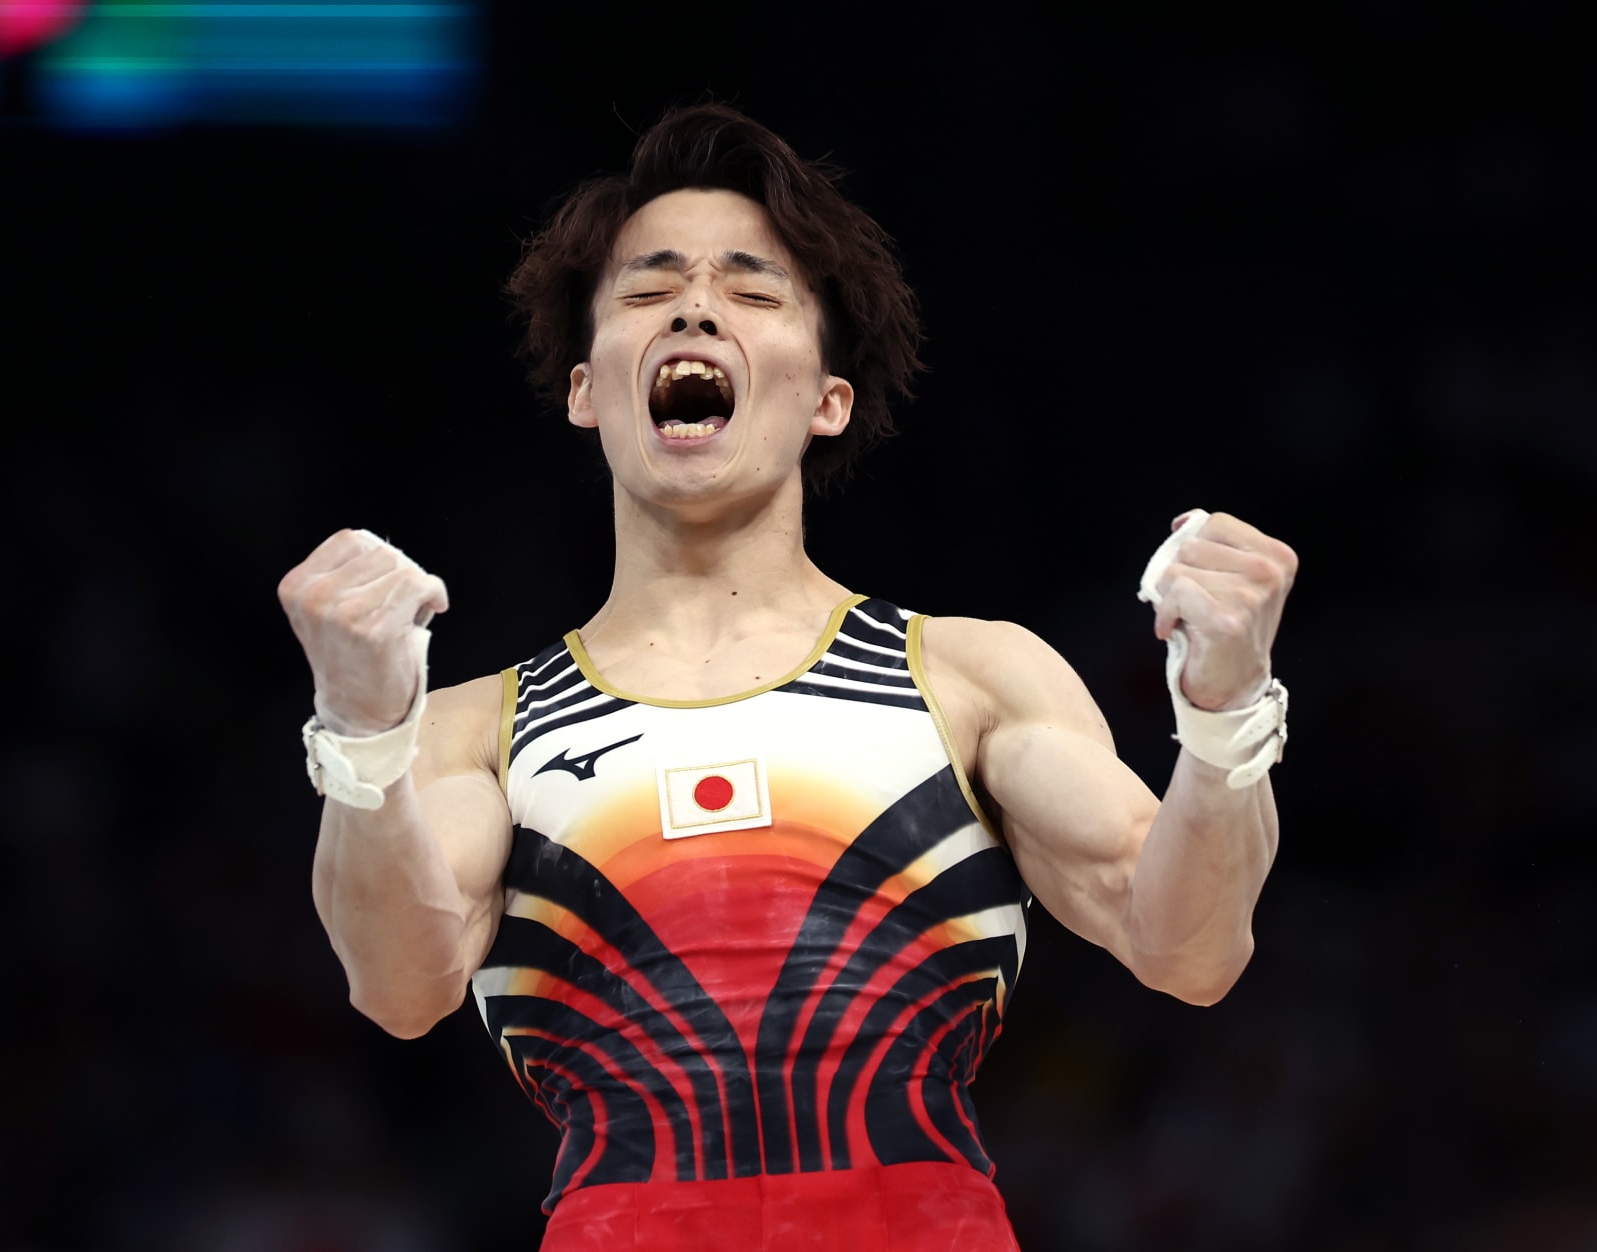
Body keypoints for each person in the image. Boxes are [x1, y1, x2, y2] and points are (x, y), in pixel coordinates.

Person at [277, 103, 1297, 1251]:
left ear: (827, 399)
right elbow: (400, 984)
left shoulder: (968, 675)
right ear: (583, 388)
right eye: (649, 288)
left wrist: (1226, 719)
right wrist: (363, 735)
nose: (698, 306)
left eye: (753, 292)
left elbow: (1189, 950)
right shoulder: (479, 730)